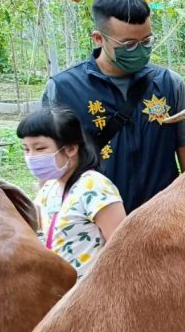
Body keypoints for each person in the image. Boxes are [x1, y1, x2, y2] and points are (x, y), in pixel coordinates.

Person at [42, 0, 185, 213]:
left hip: (162, 216)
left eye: (146, 41)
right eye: (128, 44)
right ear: (99, 39)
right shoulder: (64, 89)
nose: (139, 50)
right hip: (95, 219)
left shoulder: (168, 83)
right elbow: (52, 160)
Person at [18, 106, 125, 279]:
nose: (31, 157)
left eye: (39, 149)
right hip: (57, 294)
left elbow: (122, 249)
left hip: (88, 297)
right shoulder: (49, 188)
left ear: (70, 149)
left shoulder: (95, 188)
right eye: (26, 149)